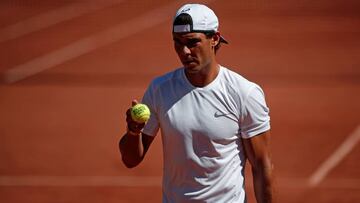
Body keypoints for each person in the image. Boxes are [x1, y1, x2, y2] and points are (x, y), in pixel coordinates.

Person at [119, 3, 274, 203]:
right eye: (177, 42)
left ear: (214, 39)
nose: (184, 51)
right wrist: (133, 132)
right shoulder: (160, 89)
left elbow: (262, 166)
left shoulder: (244, 93)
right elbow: (130, 160)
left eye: (192, 42)